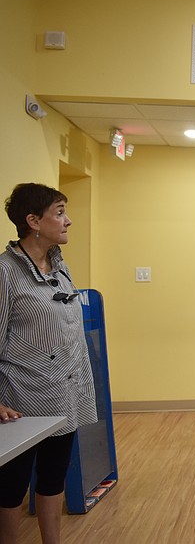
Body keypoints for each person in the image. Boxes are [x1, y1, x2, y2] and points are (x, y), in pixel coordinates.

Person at [0, 183, 97, 543]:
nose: (68, 221)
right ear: (33, 221)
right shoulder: (5, 272)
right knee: (11, 487)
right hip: (22, 403)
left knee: (54, 477)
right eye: (59, 212)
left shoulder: (59, 266)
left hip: (64, 393)